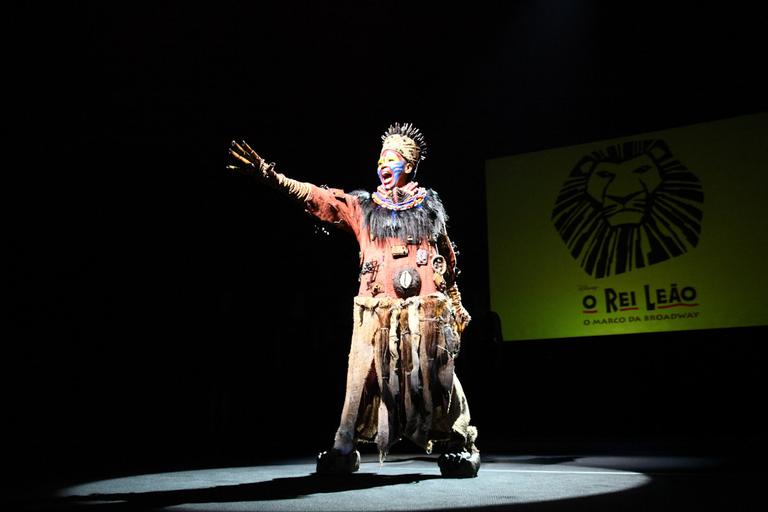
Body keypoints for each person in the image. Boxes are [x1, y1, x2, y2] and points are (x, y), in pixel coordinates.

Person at [228, 123, 480, 478]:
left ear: (408, 166)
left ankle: (461, 443)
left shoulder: (429, 208)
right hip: (374, 309)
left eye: (391, 159)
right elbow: (320, 198)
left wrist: (454, 300)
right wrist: (273, 177)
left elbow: (446, 259)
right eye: (380, 158)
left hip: (424, 308)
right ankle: (343, 447)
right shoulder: (363, 208)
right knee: (362, 375)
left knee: (438, 374)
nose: (382, 165)